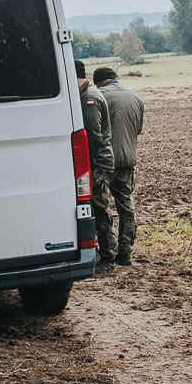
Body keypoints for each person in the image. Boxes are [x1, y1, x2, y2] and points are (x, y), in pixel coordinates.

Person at [91, 66, 144, 266]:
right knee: (126, 205)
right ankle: (126, 252)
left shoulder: (99, 96)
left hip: (104, 162)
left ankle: (108, 252)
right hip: (128, 160)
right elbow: (138, 128)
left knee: (101, 206)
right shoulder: (135, 96)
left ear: (98, 81)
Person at [76, 60, 115, 268]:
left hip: (98, 161)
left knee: (99, 206)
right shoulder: (87, 93)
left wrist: (88, 165)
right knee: (96, 205)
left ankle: (108, 257)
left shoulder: (89, 98)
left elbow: (92, 136)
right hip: (97, 160)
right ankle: (103, 254)